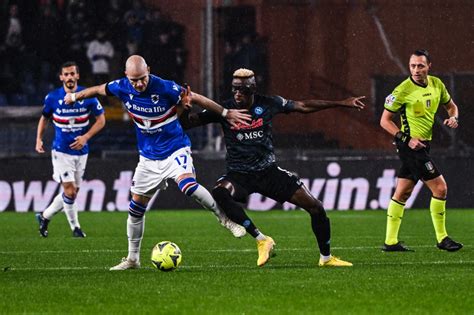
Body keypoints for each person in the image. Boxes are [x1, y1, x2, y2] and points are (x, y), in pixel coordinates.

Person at [63, 55, 251, 270]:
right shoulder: (121, 87)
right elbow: (97, 89)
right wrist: (75, 96)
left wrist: (226, 113)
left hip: (175, 148)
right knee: (135, 209)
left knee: (188, 186)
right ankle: (133, 259)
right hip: (148, 158)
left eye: (142, 78)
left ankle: (225, 219)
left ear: (148, 71)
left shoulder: (164, 87)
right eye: (134, 80)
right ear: (126, 76)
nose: (139, 84)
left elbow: (197, 98)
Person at [180, 68, 366, 267]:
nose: (237, 94)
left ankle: (326, 258)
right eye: (234, 89)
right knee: (220, 192)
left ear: (252, 89)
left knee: (316, 208)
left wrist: (340, 103)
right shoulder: (224, 109)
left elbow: (302, 106)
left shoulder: (269, 104)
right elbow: (187, 124)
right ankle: (261, 239)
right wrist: (185, 108)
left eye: (242, 90)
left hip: (269, 172)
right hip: (239, 174)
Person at [380, 49, 463, 252]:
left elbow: (452, 107)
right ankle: (442, 238)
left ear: (429, 66)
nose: (416, 70)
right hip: (410, 147)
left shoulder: (437, 84)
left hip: (424, 145)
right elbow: (384, 121)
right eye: (412, 66)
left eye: (420, 66)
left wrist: (454, 118)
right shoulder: (402, 90)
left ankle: (390, 242)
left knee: (403, 192)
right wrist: (406, 139)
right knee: (440, 188)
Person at [35, 61, 106, 238]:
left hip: (82, 151)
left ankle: (44, 216)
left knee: (73, 193)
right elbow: (44, 118)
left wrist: (85, 137)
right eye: (66, 74)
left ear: (77, 76)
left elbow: (101, 120)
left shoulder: (87, 96)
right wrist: (39, 139)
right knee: (70, 191)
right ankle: (76, 229)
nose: (69, 77)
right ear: (61, 77)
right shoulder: (52, 98)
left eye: (72, 73)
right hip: (61, 151)